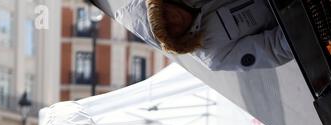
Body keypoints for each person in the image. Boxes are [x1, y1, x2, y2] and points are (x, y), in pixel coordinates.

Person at [114, 0, 293, 71]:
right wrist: (304, 20)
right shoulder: (213, 55)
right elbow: (274, 49)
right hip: (296, 10)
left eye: (165, 14)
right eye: (169, 29)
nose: (175, 19)